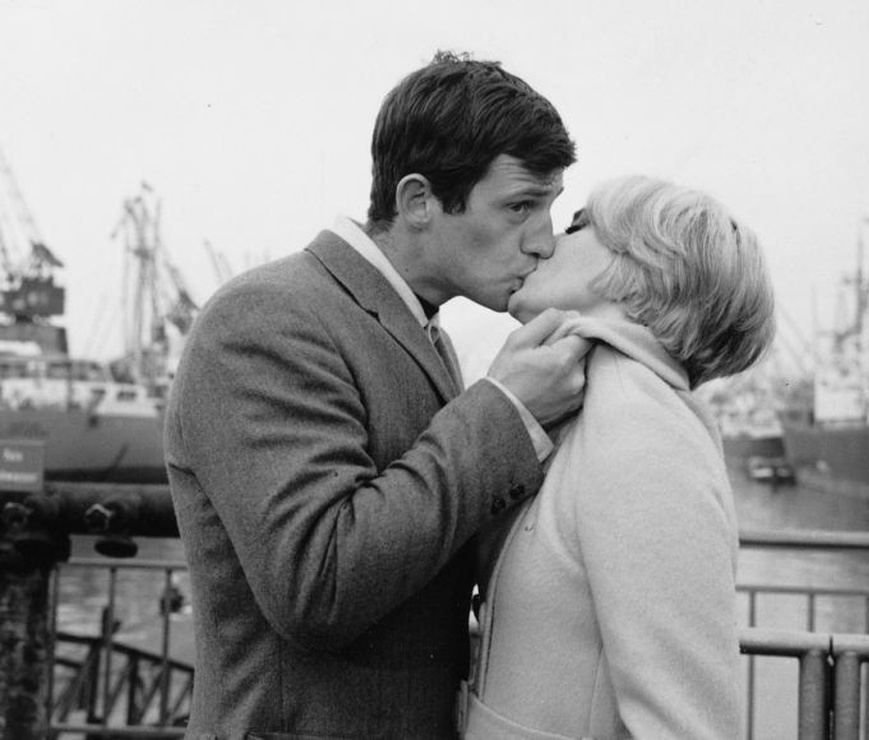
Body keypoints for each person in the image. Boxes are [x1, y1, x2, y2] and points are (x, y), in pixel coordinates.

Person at [165, 51, 591, 738]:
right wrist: (505, 412)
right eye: (520, 206)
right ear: (418, 200)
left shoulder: (418, 330)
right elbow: (317, 583)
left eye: (551, 208)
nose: (543, 242)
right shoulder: (268, 317)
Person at [461, 175, 776, 738]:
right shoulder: (595, 406)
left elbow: (685, 726)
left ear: (642, 270)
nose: (547, 241)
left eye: (579, 225)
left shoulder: (642, 429)